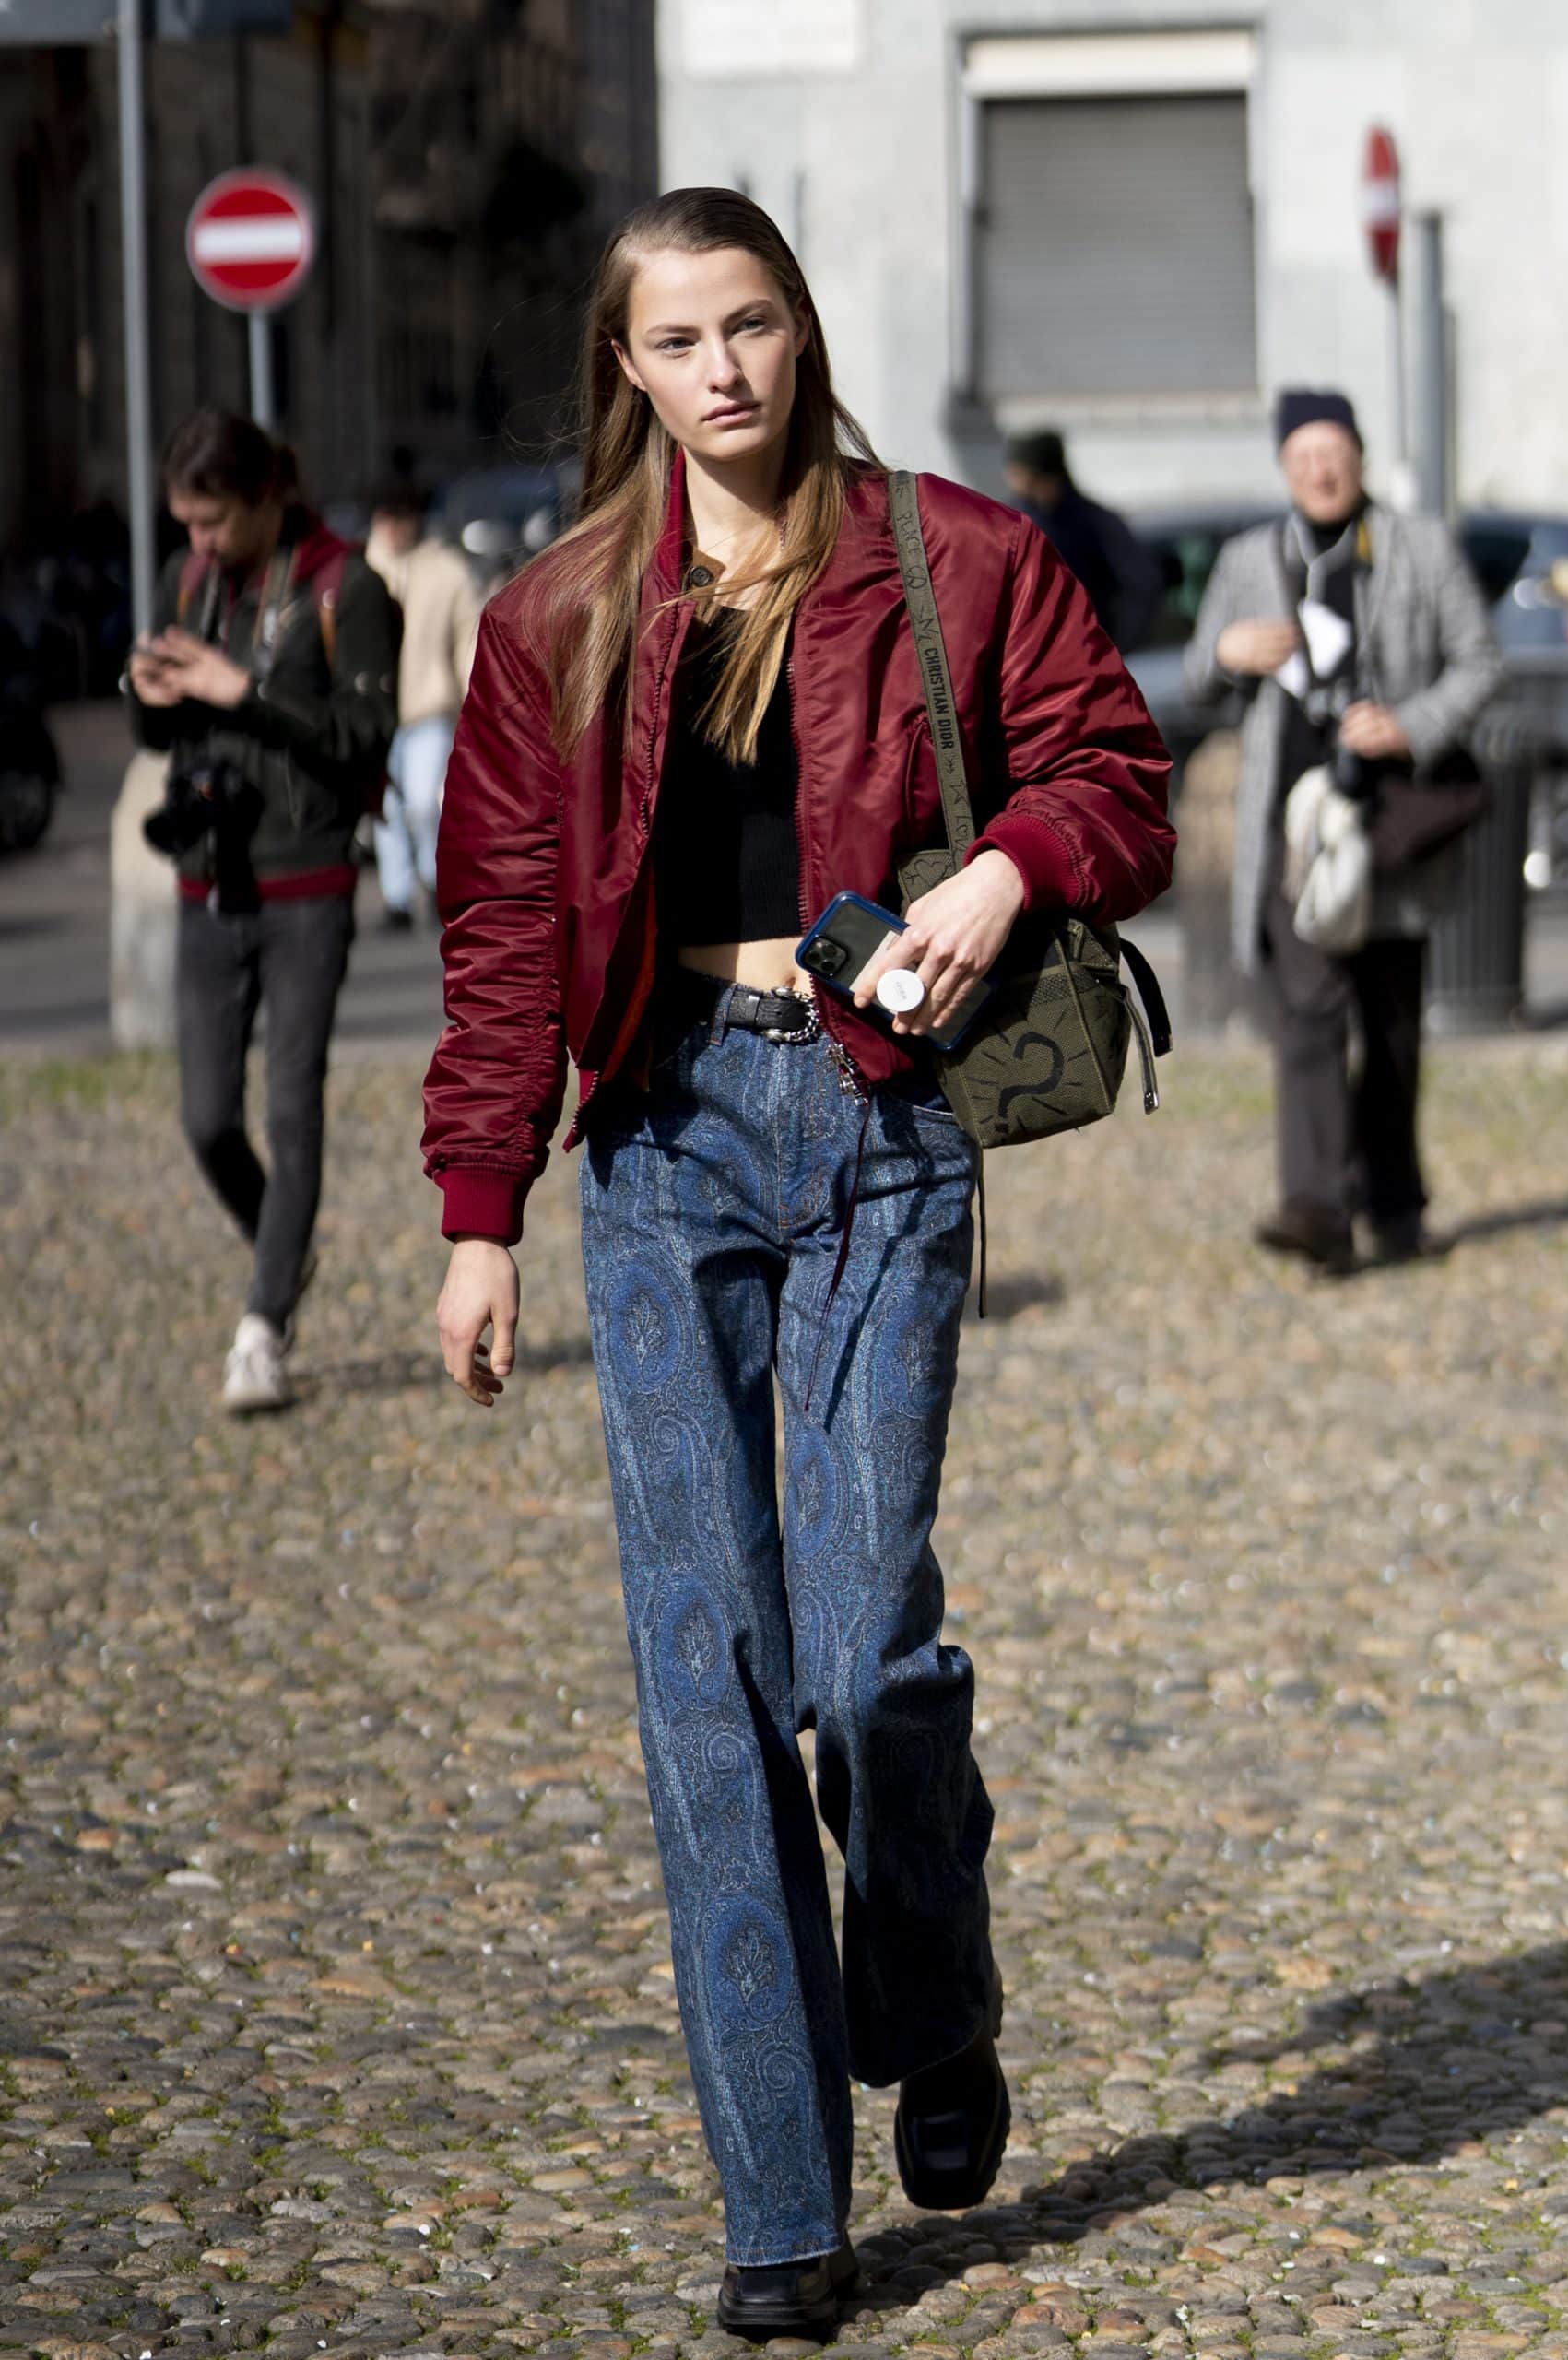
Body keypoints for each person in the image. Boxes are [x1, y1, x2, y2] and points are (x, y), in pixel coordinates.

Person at [422, 189, 1173, 2339]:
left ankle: (930, 1983)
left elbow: (1116, 775)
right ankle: (779, 2207)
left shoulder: (955, 555)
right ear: (627, 371)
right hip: (659, 1142)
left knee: (857, 1655)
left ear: (799, 327)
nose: (722, 369)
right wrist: (477, 1212)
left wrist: (1006, 868)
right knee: (707, 1677)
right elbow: (499, 924)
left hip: (880, 1126)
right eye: (677, 340)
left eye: (749, 324)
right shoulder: (557, 615)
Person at [1184, 388, 1503, 1273]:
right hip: (1290, 835)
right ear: (1283, 467)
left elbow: (1480, 663)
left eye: (1334, 454)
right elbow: (1196, 677)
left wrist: (1408, 724)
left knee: (1390, 1028)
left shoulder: (1419, 548)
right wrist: (1225, 654)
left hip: (1388, 826)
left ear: (1359, 459)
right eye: (1302, 458)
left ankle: (1393, 1205)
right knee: (1307, 1015)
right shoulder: (1249, 558)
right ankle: (1316, 1209)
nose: (1320, 472)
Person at [127, 408, 398, 1410]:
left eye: (213, 522)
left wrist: (241, 690)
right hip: (208, 877)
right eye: (186, 525)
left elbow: (365, 733)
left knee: (290, 1108)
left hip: (305, 882)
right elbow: (156, 736)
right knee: (206, 1119)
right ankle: (284, 1245)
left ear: (265, 497)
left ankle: (263, 1326)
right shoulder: (189, 579)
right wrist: (150, 692)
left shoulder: (344, 586)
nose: (199, 543)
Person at [364, 479, 482, 929]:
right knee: (386, 809)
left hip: (428, 707)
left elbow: (468, 637)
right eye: (386, 519)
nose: (393, 529)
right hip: (377, 711)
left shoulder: (447, 570)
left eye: (401, 519)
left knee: (422, 802)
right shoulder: (363, 567)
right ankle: (396, 896)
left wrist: (475, 697)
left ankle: (434, 881)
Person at [1003, 428, 1161, 654]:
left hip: (1084, 654)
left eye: (1015, 471)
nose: (1009, 478)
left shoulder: (1096, 523)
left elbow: (1143, 584)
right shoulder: (1010, 522)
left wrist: (1113, 647)